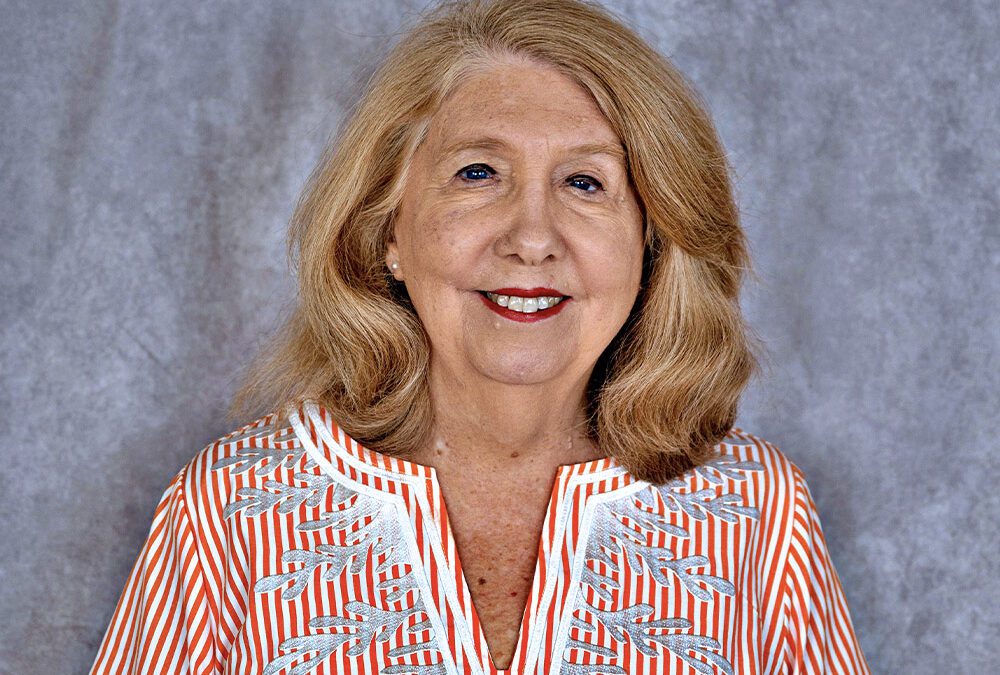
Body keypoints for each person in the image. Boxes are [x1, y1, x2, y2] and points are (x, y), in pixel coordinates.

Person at [90, 0, 870, 673]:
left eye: (585, 182)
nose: (532, 238)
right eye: (478, 173)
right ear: (388, 230)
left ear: (651, 244)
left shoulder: (759, 514)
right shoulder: (228, 514)